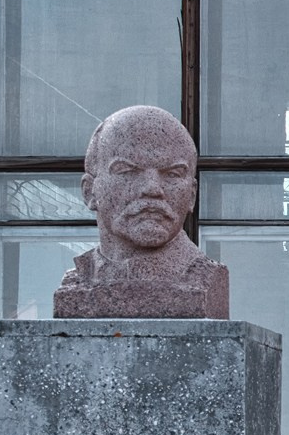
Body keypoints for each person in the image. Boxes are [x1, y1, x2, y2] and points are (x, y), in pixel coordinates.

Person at [53, 105, 229, 318]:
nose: (152, 189)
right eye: (127, 171)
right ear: (89, 191)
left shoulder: (204, 278)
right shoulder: (79, 278)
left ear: (192, 195)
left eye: (172, 174)